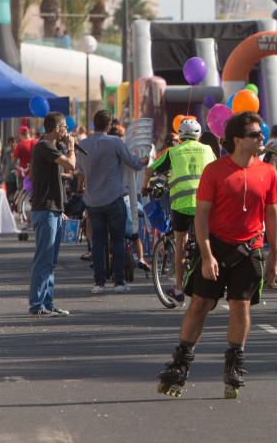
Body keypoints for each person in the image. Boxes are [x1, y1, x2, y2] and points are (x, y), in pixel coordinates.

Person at [156, 111, 277, 399]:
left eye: (261, 134)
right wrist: (207, 254)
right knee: (200, 303)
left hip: (249, 248)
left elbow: (272, 215)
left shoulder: (267, 172)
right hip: (215, 245)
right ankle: (181, 363)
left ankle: (234, 364)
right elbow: (201, 216)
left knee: (241, 306)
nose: (261, 138)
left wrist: (275, 253)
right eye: (254, 134)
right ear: (238, 139)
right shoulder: (215, 170)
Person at [77, 110, 147, 294]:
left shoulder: (83, 144)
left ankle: (99, 283)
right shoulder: (115, 142)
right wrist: (144, 161)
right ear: (109, 126)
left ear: (94, 123)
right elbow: (133, 163)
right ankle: (119, 282)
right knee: (118, 240)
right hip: (114, 197)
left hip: (93, 200)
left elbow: (79, 169)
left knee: (98, 243)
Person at [149, 117, 216, 300]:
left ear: (180, 135)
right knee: (208, 239)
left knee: (180, 243)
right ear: (199, 135)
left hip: (182, 203)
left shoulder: (173, 152)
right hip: (205, 203)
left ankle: (178, 288)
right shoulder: (208, 150)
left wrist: (144, 187)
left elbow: (151, 170)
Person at [27, 112, 75, 318]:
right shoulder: (45, 146)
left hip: (53, 209)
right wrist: (71, 146)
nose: (66, 131)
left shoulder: (51, 148)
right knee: (43, 258)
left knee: (51, 260)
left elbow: (59, 174)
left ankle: (48, 302)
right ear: (57, 129)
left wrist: (60, 209)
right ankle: (37, 304)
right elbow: (71, 165)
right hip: (45, 210)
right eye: (64, 127)